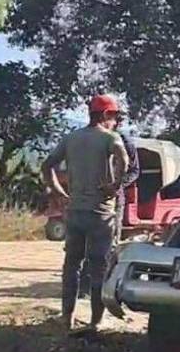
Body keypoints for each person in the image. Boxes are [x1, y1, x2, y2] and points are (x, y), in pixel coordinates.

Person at [42, 95, 131, 335]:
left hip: (75, 212)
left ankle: (67, 318)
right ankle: (95, 321)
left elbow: (47, 165)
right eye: (113, 117)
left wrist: (60, 193)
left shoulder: (71, 138)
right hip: (101, 213)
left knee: (71, 266)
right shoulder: (109, 138)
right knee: (98, 267)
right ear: (104, 116)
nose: (115, 122)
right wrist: (115, 185)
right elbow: (124, 159)